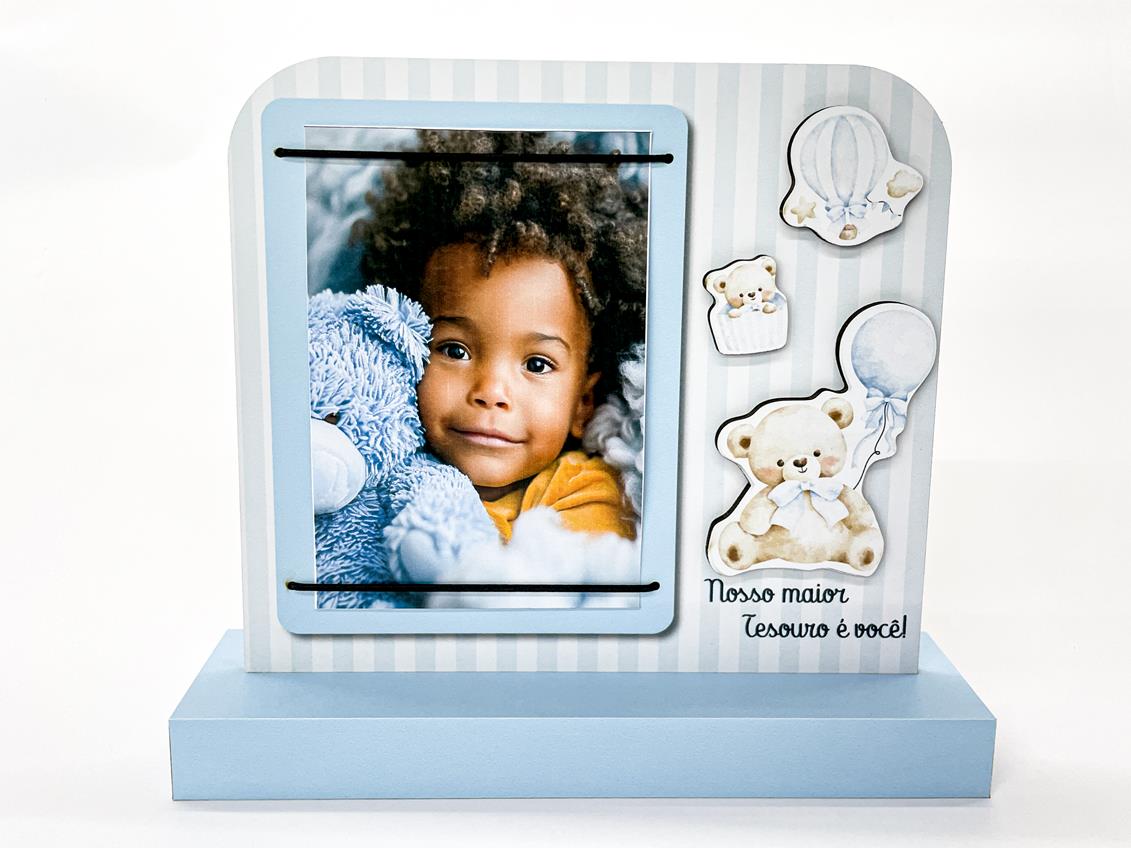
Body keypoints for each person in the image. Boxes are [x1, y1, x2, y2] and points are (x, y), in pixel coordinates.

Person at [350, 130, 647, 542]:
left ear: (583, 403)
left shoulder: (584, 491)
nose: (491, 392)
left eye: (537, 364)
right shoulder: (365, 469)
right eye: (455, 350)